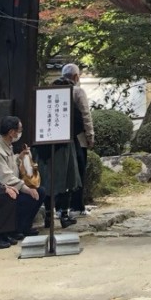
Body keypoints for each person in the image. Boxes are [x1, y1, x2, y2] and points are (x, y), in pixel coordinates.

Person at [0, 115, 44, 239]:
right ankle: (16, 228)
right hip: (3, 189)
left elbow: (11, 163)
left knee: (40, 192)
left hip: (14, 185)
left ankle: (25, 226)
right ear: (11, 132)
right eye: (19, 130)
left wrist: (19, 157)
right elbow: (5, 176)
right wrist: (25, 188)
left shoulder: (7, 145)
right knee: (29, 196)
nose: (20, 133)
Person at [53, 62, 95, 215]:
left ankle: (59, 207)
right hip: (77, 138)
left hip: (56, 140)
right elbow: (86, 115)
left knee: (59, 172)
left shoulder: (52, 90)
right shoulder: (77, 91)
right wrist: (90, 136)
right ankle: (76, 206)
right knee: (78, 170)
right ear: (76, 76)